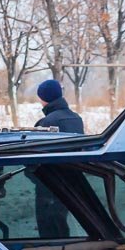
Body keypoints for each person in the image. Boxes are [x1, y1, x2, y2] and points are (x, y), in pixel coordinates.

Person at [32, 79, 81, 239]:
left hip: (48, 184)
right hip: (71, 179)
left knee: (48, 226)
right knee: (61, 220)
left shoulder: (47, 122)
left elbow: (34, 156)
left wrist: (34, 176)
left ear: (44, 98)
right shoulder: (76, 118)